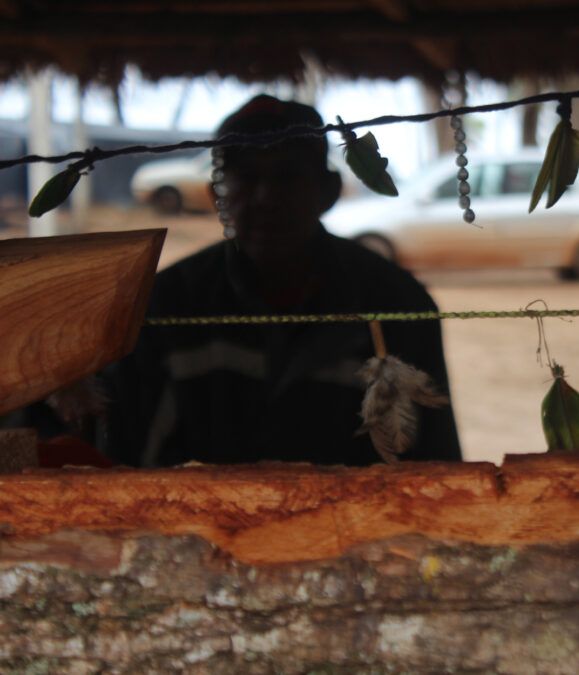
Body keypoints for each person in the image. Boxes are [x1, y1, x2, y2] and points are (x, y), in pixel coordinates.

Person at [103, 94, 461, 467]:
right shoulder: (164, 303)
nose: (265, 198)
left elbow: (437, 466)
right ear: (217, 197)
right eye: (246, 177)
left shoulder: (396, 302)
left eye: (287, 176)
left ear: (328, 191)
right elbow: (124, 460)